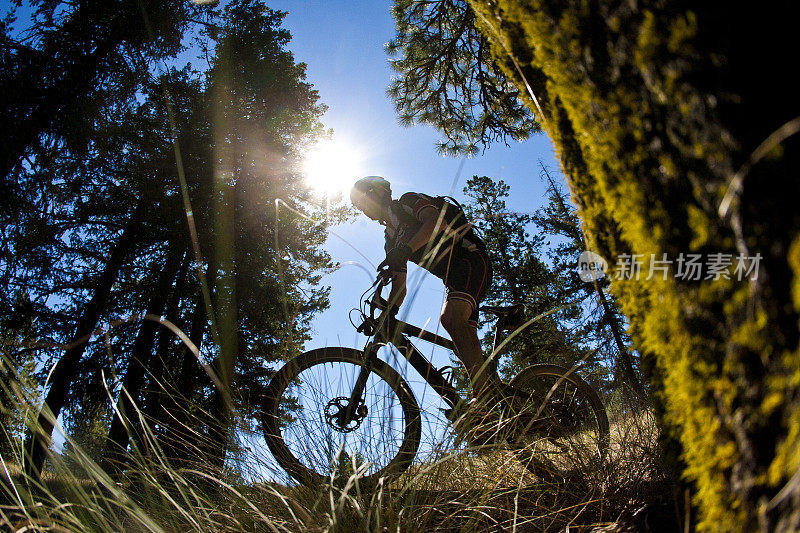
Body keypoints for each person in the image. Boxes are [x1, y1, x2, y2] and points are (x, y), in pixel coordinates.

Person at [350, 175, 498, 403]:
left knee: (451, 320)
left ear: (379, 192)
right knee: (464, 343)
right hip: (453, 279)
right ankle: (502, 404)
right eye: (359, 207)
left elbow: (436, 223)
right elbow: (400, 287)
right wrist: (386, 311)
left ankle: (485, 398)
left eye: (363, 201)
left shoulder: (408, 202)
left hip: (470, 259)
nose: (363, 210)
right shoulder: (390, 239)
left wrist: (406, 250)